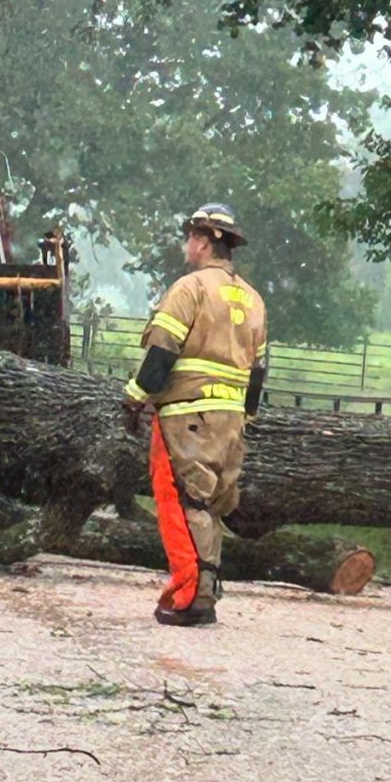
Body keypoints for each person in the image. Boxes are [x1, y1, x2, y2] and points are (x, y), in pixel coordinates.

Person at [122, 203, 267, 627]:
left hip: (187, 414)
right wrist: (247, 419)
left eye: (190, 237)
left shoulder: (190, 289)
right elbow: (258, 371)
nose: (187, 244)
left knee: (183, 502)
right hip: (230, 420)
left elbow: (163, 349)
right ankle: (206, 588)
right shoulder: (254, 300)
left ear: (203, 241)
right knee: (210, 504)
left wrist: (134, 397)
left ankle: (189, 594)